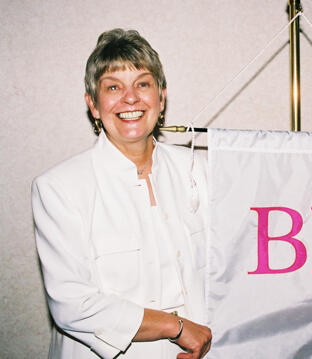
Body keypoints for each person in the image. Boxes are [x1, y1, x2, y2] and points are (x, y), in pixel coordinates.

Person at [32, 29, 211, 359]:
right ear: (94, 105)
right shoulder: (59, 188)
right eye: (113, 87)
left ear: (161, 97)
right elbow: (72, 305)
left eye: (142, 84)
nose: (130, 98)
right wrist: (178, 327)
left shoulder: (199, 169)